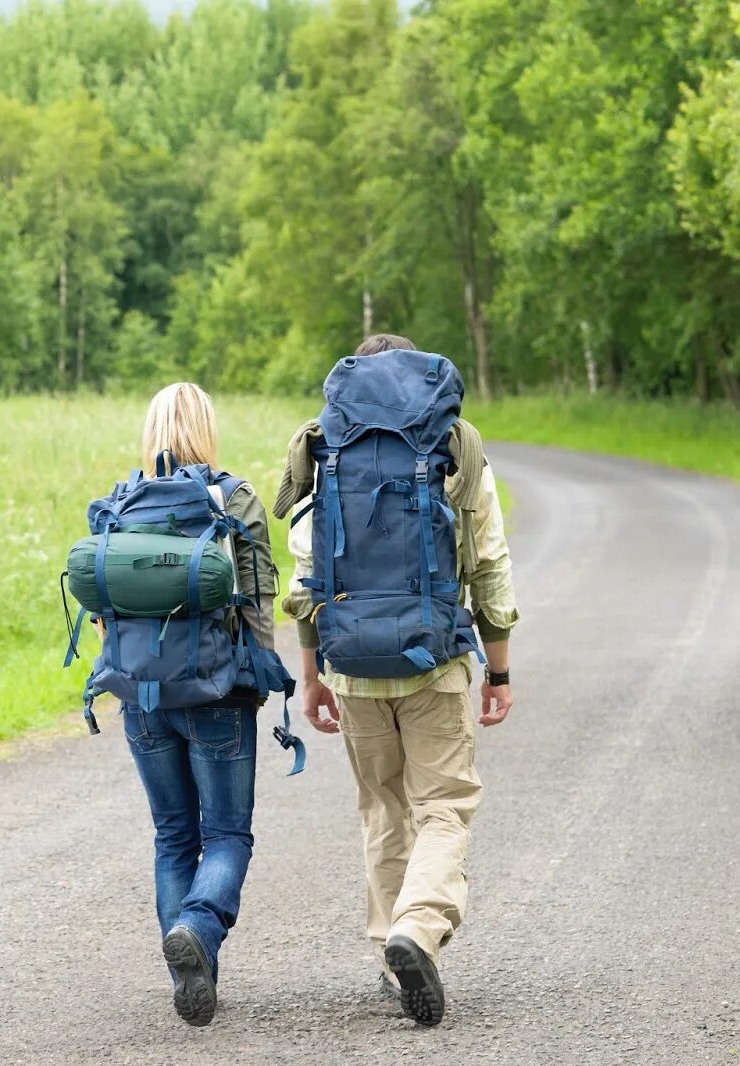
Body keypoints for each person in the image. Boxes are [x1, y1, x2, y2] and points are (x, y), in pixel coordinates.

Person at [278, 334, 518, 1026]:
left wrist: (312, 669)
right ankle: (419, 926)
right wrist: (498, 666)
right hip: (435, 658)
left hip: (351, 664)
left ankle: (392, 948)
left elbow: (305, 573)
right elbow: (488, 560)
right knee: (444, 804)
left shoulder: (324, 444)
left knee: (383, 807)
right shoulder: (454, 440)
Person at [122, 382, 280, 1028]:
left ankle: (189, 969)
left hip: (144, 697)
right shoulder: (234, 498)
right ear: (207, 429)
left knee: (173, 837)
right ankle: (196, 930)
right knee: (226, 834)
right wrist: (262, 678)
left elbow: (108, 616)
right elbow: (259, 600)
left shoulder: (122, 501)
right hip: (218, 690)